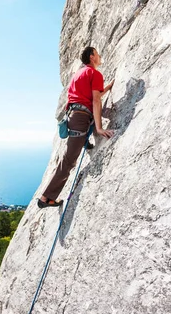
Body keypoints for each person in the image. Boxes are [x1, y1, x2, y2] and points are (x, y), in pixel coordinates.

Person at [38, 47, 114, 208]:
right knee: (68, 161)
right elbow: (95, 101)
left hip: (75, 116)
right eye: (97, 54)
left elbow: (91, 96)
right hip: (81, 118)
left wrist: (107, 87)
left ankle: (86, 142)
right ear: (92, 56)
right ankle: (45, 198)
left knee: (68, 156)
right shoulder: (95, 74)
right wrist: (99, 128)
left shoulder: (79, 74)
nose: (99, 57)